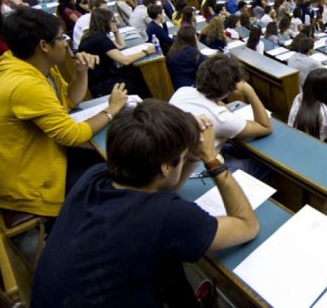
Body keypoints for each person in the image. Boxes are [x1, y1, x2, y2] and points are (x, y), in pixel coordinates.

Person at [31, 100, 260, 307]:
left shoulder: (95, 176)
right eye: (182, 157)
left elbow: (165, 185)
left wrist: (187, 149)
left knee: (166, 258)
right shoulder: (168, 216)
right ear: (164, 167)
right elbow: (247, 225)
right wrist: (211, 158)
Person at [0, 8, 128, 217]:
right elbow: (71, 135)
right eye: (61, 38)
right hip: (31, 186)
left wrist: (81, 71)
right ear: (43, 45)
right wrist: (112, 109)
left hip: (46, 157)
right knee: (117, 175)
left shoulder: (37, 66)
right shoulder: (24, 83)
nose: (66, 42)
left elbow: (71, 99)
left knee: (112, 160)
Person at [170, 54, 273, 177]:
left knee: (235, 148)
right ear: (229, 89)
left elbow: (215, 103)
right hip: (198, 169)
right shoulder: (221, 118)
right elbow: (265, 127)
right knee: (264, 165)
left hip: (178, 158)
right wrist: (249, 91)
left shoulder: (182, 91)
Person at [79, 8, 154, 96]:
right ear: (105, 22)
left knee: (133, 72)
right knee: (137, 81)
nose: (116, 23)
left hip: (100, 79)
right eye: (113, 20)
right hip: (101, 83)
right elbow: (125, 61)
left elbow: (121, 46)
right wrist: (146, 52)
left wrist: (116, 32)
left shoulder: (94, 34)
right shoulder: (99, 38)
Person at [167, 25, 207, 90]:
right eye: (195, 35)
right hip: (189, 87)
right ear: (191, 37)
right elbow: (206, 62)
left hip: (179, 84)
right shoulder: (190, 52)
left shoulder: (175, 48)